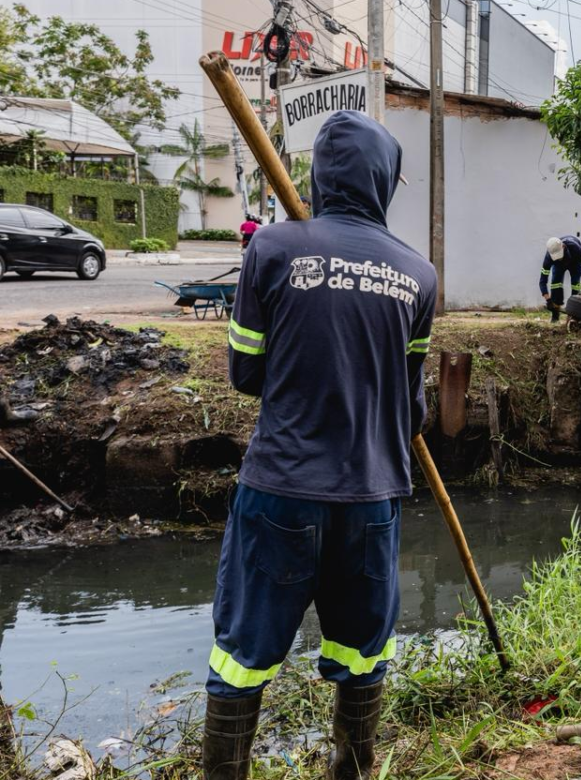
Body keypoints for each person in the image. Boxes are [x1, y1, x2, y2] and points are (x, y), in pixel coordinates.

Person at [203, 111, 437, 780]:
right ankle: (351, 770)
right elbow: (412, 405)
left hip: (281, 489)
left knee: (242, 655)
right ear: (385, 181)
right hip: (372, 498)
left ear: (321, 174)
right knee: (362, 653)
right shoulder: (417, 273)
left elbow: (247, 372)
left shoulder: (272, 249)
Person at [539, 235, 581, 322]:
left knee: (575, 283)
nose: (559, 258)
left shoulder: (576, 248)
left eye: (559, 256)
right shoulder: (549, 257)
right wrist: (548, 300)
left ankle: (575, 315)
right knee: (555, 284)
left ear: (563, 246)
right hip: (559, 266)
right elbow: (542, 281)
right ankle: (555, 316)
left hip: (575, 262)